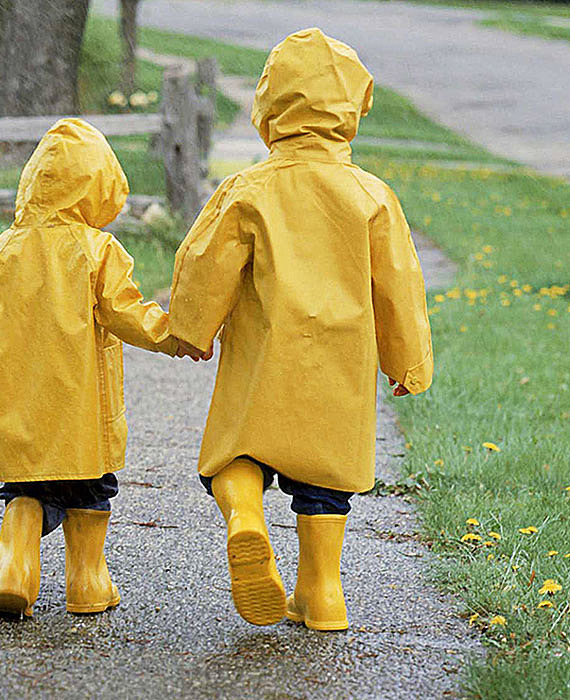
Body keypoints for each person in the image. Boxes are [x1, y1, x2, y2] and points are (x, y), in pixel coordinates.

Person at [168, 28, 433, 631]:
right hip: (339, 365)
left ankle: (246, 520)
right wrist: (407, 360)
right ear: (351, 109)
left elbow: (205, 261)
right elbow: (397, 284)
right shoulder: (371, 196)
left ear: (269, 106)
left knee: (234, 455)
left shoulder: (248, 190)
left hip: (264, 357)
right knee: (325, 480)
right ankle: (323, 593)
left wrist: (192, 327)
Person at [0, 118, 204, 617]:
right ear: (98, 186)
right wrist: (174, 336)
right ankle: (86, 584)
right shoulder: (96, 251)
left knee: (26, 490)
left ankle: (12, 567)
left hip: (20, 413)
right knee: (90, 488)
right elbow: (126, 311)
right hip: (85, 412)